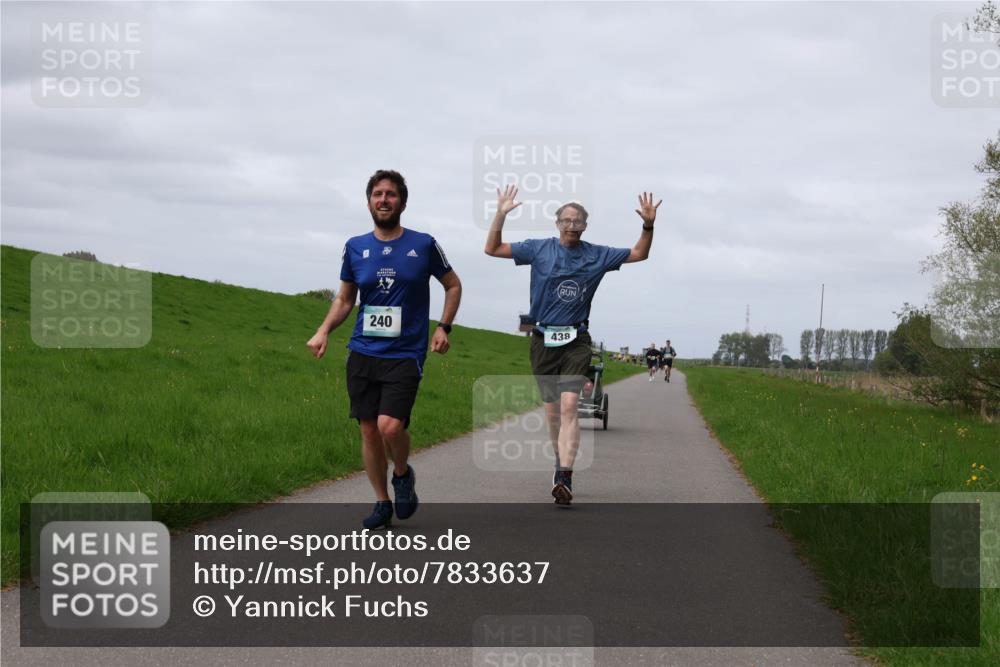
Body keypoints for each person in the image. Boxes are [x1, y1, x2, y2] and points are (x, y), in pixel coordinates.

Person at [485, 185, 661, 506]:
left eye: (577, 220)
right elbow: (493, 249)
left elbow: (640, 253)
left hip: (576, 340)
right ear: (557, 224)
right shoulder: (539, 249)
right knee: (553, 415)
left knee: (569, 408)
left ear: (584, 226)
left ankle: (565, 475)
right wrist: (500, 214)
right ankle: (559, 461)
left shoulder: (597, 255)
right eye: (565, 219)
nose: (571, 224)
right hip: (542, 340)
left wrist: (647, 225)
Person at [307, 169, 461, 529]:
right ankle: (381, 502)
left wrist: (443, 327)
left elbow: (453, 285)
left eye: (391, 194)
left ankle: (403, 475)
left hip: (405, 353)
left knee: (390, 427)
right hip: (363, 352)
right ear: (368, 202)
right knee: (368, 431)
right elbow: (346, 299)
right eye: (377, 194)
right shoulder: (355, 247)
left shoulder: (423, 244)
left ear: (402, 202)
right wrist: (323, 330)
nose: (383, 199)